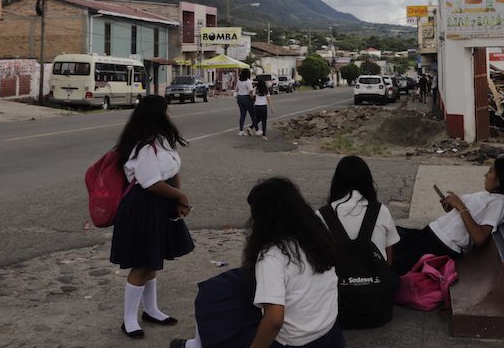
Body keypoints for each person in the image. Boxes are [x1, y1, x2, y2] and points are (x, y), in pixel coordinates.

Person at [171, 177, 344, 348]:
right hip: (328, 334)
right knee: (231, 282)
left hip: (294, 342)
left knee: (213, 298)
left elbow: (275, 320)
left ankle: (196, 345)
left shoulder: (272, 255)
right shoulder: (318, 237)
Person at [110, 95, 195, 339]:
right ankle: (129, 319)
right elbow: (150, 183)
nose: (170, 115)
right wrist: (181, 196)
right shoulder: (145, 146)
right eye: (167, 111)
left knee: (153, 259)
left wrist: (177, 200)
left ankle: (151, 309)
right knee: (142, 263)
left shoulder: (163, 141)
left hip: (160, 204)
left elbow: (173, 170)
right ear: (159, 115)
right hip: (143, 206)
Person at [391, 155, 504, 275]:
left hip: (441, 245)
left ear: (500, 181)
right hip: (432, 234)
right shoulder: (489, 196)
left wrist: (460, 206)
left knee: (396, 258)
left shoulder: (500, 204)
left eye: (490, 171)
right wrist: (452, 208)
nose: (485, 175)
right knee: (392, 236)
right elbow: (466, 218)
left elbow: (479, 237)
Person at [317, 156, 399, 263]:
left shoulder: (321, 215)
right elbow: (388, 259)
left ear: (336, 182)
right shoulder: (381, 211)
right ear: (368, 182)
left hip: (336, 278)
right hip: (377, 278)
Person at [234, 68, 255, 136]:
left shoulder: (239, 80)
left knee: (242, 114)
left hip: (240, 97)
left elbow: (236, 89)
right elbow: (250, 91)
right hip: (246, 97)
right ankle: (256, 129)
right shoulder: (248, 81)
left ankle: (241, 130)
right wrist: (253, 98)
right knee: (252, 114)